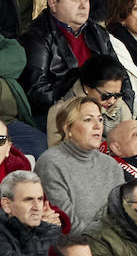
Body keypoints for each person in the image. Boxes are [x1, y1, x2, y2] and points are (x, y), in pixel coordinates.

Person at [35, 96, 126, 234]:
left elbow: (122, 218)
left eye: (100, 119)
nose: (97, 125)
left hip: (113, 246)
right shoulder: (51, 163)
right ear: (67, 128)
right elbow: (68, 225)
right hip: (76, 249)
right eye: (88, 119)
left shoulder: (111, 165)